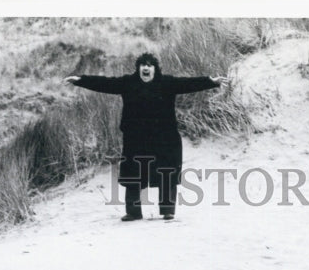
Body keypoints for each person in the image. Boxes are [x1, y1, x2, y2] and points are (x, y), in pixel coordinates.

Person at [66, 52, 228, 221]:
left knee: (167, 173)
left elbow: (189, 84)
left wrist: (211, 82)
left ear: (155, 69)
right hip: (136, 138)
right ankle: (133, 212)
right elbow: (105, 83)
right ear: (138, 68)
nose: (146, 67)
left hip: (165, 138)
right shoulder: (128, 83)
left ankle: (167, 210)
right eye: (143, 64)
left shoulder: (167, 83)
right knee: (133, 175)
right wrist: (81, 80)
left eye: (149, 65)